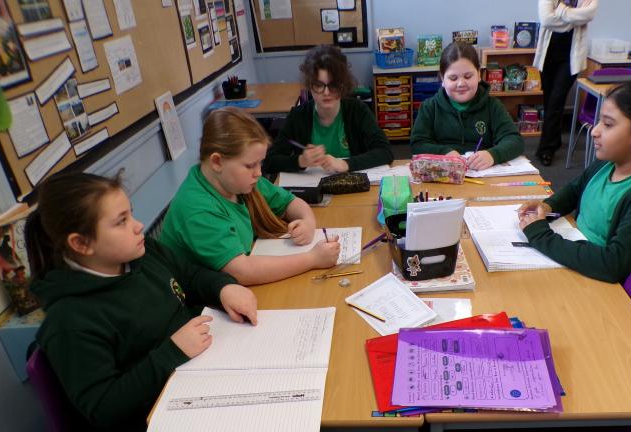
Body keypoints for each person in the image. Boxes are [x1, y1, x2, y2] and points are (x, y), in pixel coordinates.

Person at [26, 172, 398, 432]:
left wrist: (222, 289)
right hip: (143, 419)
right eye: (121, 221)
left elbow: (190, 274)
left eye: (130, 214)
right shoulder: (71, 320)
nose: (137, 225)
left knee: (294, 391)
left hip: (193, 372)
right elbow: (102, 406)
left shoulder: (139, 254)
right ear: (81, 245)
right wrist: (171, 352)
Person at [517, 78, 631, 284]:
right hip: (582, 259)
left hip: (611, 285)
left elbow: (612, 264)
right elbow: (575, 189)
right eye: (599, 121)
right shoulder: (611, 162)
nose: (594, 131)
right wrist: (548, 206)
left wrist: (541, 236)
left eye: (608, 124)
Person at [160, 107, 340, 285]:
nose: (259, 173)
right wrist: (312, 259)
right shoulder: (198, 209)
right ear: (217, 162)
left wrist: (308, 221)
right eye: (250, 165)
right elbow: (241, 271)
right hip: (201, 300)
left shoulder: (238, 181)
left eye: (260, 163)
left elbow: (290, 202)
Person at [263, 44, 393, 175]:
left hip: (353, 184)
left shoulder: (357, 110)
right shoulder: (298, 116)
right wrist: (300, 161)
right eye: (318, 85)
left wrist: (346, 164)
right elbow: (269, 162)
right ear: (309, 86)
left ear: (343, 85)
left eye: (333, 85)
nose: (326, 92)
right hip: (311, 187)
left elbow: (385, 151)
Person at [410, 42, 524, 171]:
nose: (461, 84)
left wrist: (493, 155)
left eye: (468, 76)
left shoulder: (493, 106)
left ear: (479, 75)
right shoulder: (429, 107)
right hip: (443, 174)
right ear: (442, 79)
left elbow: (515, 140)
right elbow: (418, 144)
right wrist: (443, 152)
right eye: (453, 78)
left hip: (482, 173)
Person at [533, 0, 598, 167]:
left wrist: (560, 10)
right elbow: (546, 19)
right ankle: (554, 140)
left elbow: (588, 15)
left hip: (571, 58)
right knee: (550, 100)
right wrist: (574, 18)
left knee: (556, 99)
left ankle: (546, 149)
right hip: (548, 55)